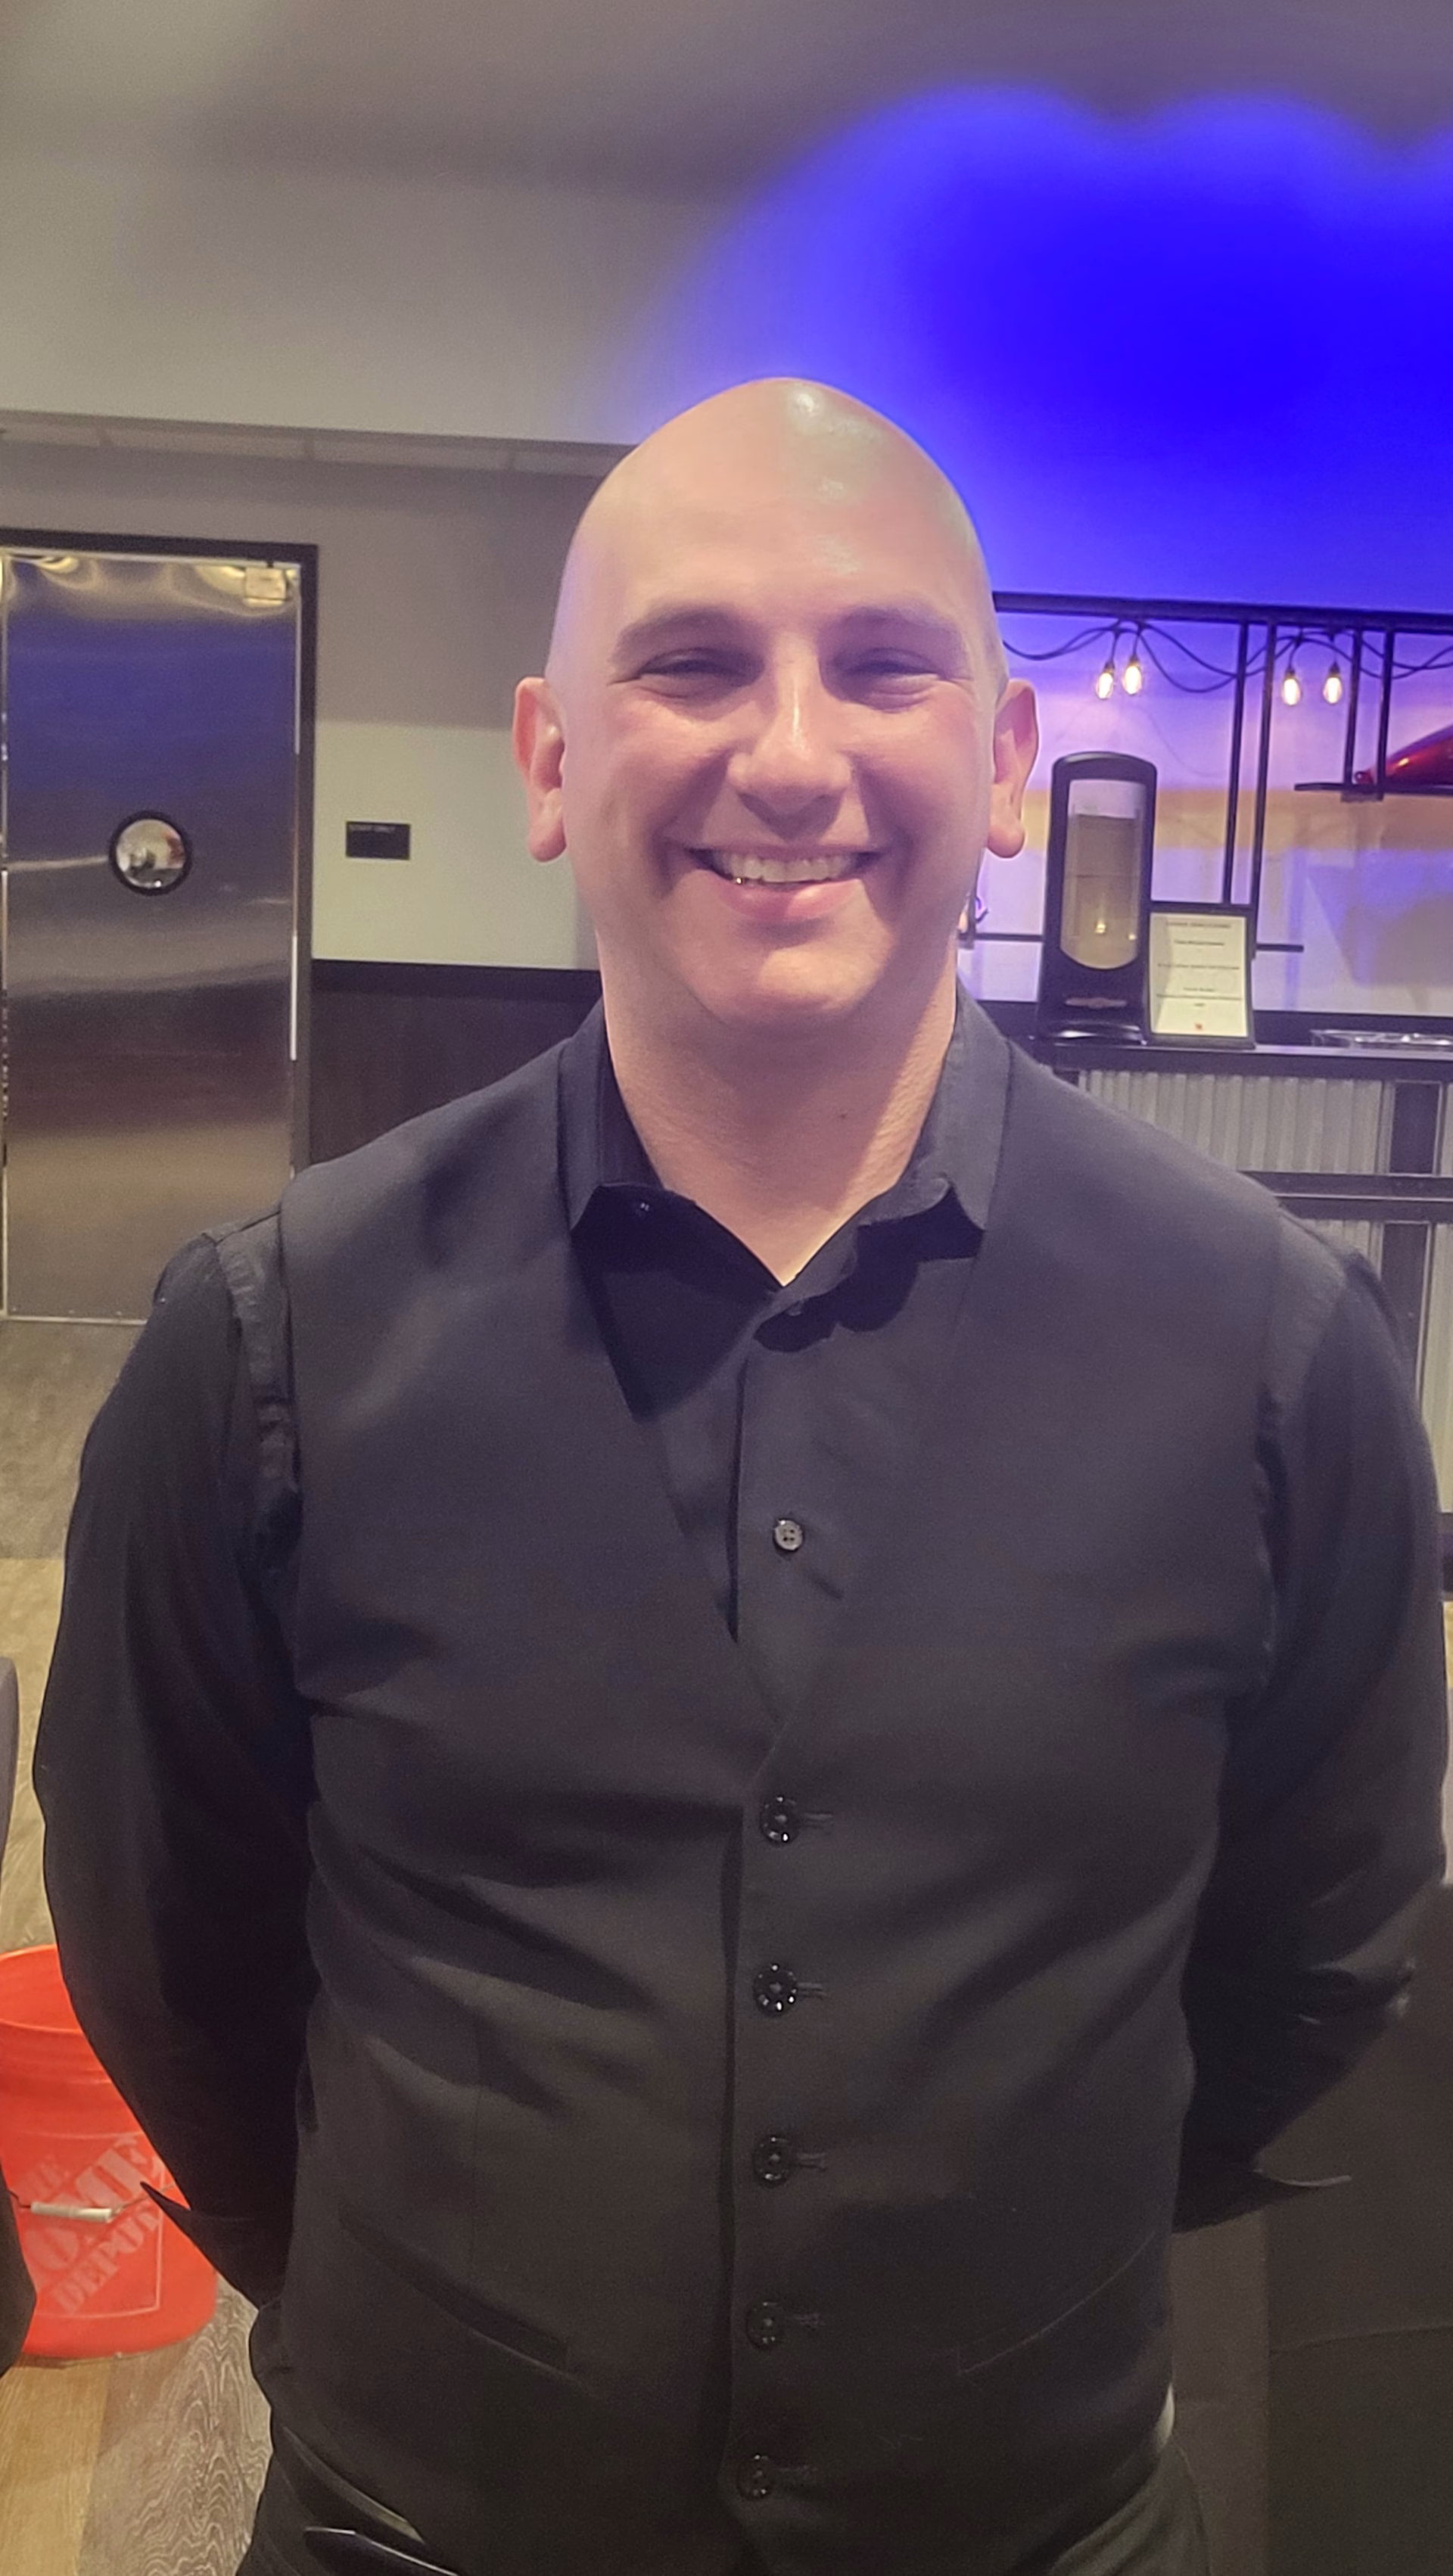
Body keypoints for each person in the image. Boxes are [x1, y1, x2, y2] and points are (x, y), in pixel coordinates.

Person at [35, 380, 1447, 2576]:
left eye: (884, 666)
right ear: (549, 759)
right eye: (691, 663)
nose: (791, 756)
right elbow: (165, 1942)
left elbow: (1319, 1937)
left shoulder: (1269, 1345)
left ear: (1004, 758)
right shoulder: (270, 1340)